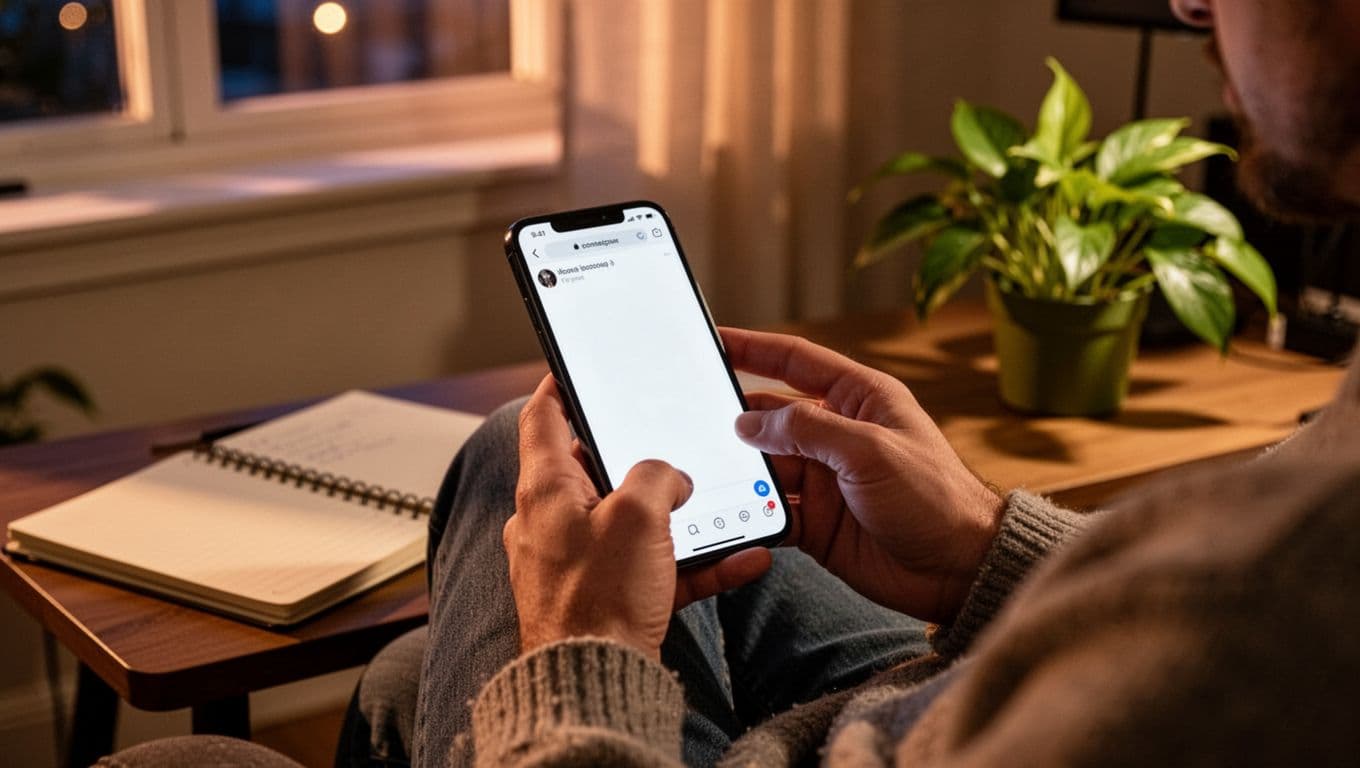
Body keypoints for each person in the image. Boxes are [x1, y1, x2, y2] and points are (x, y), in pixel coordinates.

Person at [98, 0, 1360, 765]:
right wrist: (986, 548)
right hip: (941, 702)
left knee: (489, 508)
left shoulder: (1280, 577)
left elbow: (1237, 625)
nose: (1196, 11)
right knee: (439, 634)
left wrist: (582, 658)